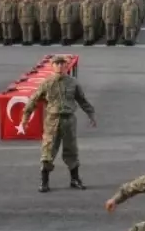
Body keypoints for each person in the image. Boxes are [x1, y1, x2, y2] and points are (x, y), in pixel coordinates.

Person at [20, 55, 96, 192]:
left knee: (71, 150)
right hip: (52, 120)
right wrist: (25, 117)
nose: (60, 66)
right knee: (48, 150)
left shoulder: (73, 83)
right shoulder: (47, 83)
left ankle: (75, 179)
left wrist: (91, 114)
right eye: (57, 63)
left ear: (67, 66)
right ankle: (44, 182)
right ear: (52, 66)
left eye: (62, 64)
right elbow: (33, 100)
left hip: (69, 120)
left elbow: (82, 100)